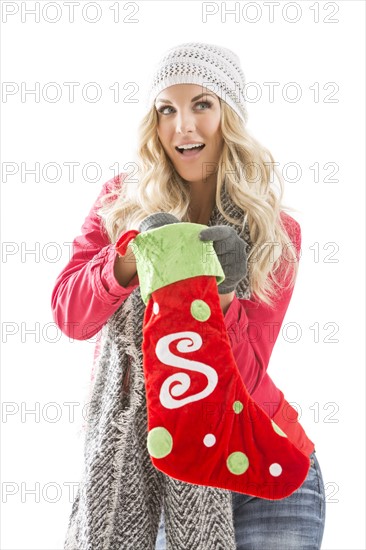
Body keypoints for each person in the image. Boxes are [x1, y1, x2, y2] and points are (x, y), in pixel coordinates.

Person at [52, 42, 326, 549]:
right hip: (154, 471)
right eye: (167, 110)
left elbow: (246, 378)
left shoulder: (274, 232)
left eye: (202, 104)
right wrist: (131, 255)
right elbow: (71, 314)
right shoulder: (120, 203)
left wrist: (219, 298)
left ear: (231, 116)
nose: (183, 127)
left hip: (267, 466)